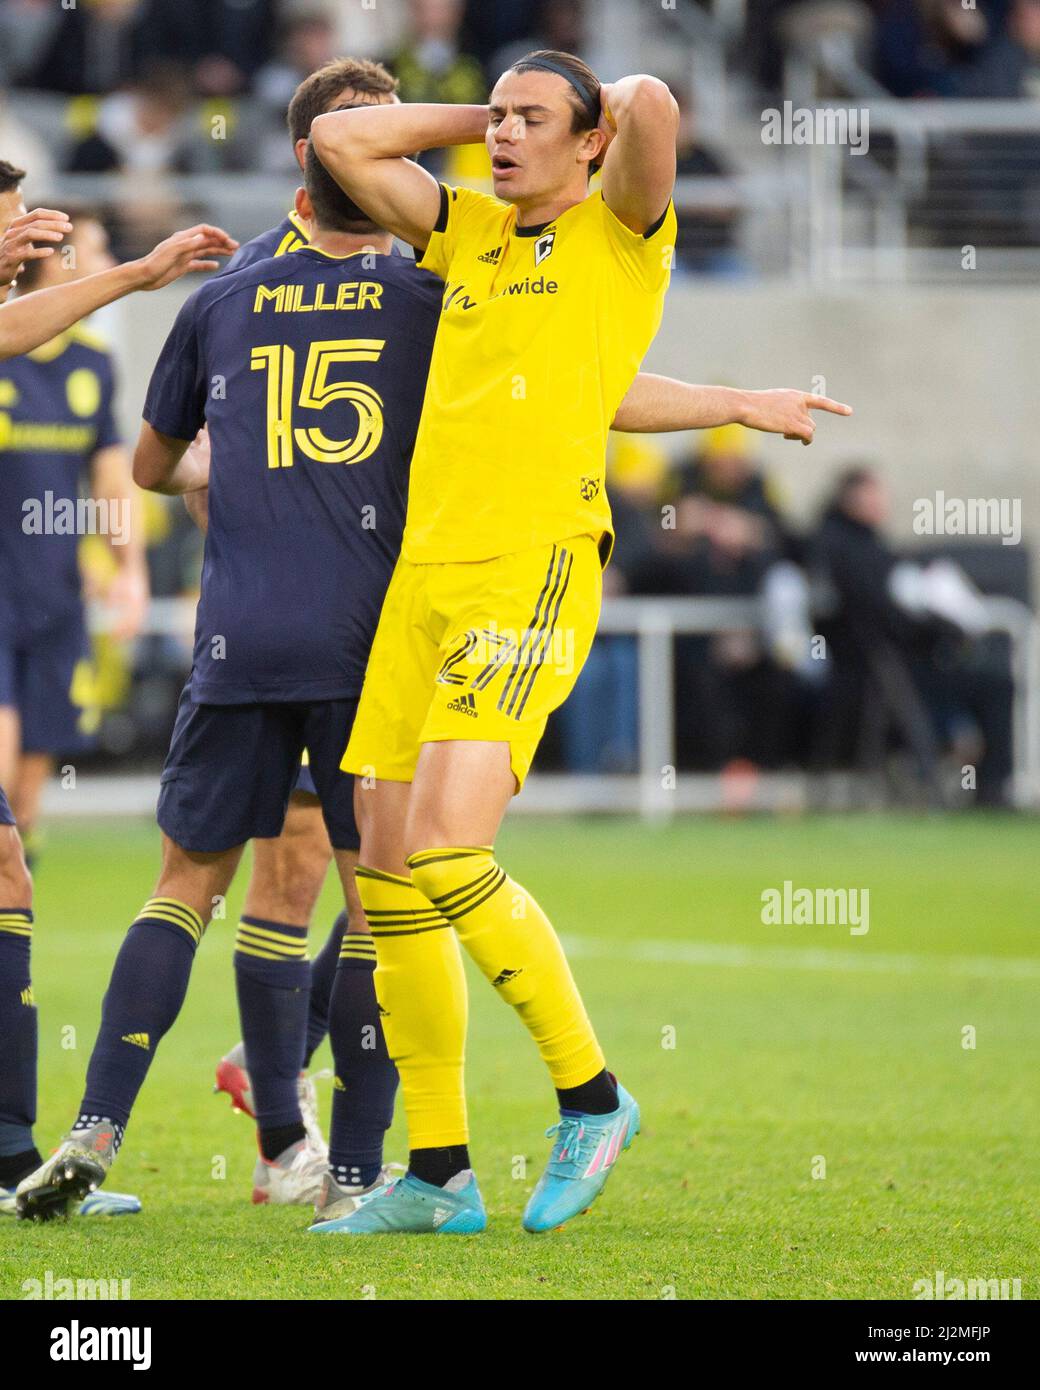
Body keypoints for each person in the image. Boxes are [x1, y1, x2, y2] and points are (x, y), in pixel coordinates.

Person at [308, 49, 852, 1235]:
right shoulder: (465, 229)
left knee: (450, 854)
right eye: (494, 119)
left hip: (531, 565)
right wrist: (493, 113)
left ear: (589, 139)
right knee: (387, 876)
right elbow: (341, 147)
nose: (501, 137)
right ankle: (437, 1172)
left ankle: (593, 1098)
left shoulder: (619, 230)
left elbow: (656, 100)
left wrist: (591, 103)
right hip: (424, 579)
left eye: (529, 121)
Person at [15, 142, 445, 1223]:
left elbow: (156, 465)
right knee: (377, 901)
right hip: (365, 644)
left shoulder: (228, 295)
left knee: (182, 888)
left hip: (240, 639)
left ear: (299, 191)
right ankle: (350, 1176)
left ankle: (95, 1131)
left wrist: (242, 471)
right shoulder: (430, 298)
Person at [0, 159, 235, 1216]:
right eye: (12, 231)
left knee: (9, 863)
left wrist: (137, 274)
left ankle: (11, 1154)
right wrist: (134, 273)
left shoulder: (63, 358)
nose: (25, 245)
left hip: (39, 611)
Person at [0, 210, 149, 864]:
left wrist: (129, 569)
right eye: (93, 245)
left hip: (55, 596)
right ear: (54, 258)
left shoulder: (92, 363)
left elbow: (111, 479)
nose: (104, 255)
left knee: (29, 801)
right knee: (1, 788)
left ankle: (13, 952)